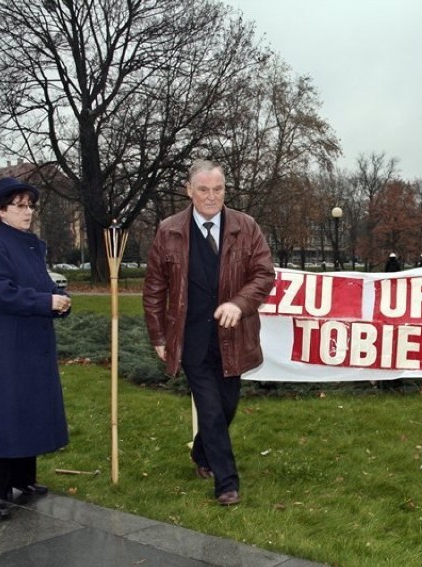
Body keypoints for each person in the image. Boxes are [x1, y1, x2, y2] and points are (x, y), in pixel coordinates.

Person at [143, 159, 275, 507]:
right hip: (190, 339)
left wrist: (239, 303)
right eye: (203, 189)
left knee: (227, 405)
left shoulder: (246, 227)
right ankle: (226, 482)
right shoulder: (168, 230)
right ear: (189, 191)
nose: (211, 196)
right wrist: (158, 337)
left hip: (232, 338)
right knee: (211, 409)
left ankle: (202, 452)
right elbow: (154, 287)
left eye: (218, 189)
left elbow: (264, 275)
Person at [0, 177, 72, 521]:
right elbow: (1, 293)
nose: (28, 212)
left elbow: (41, 284)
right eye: (20, 206)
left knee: (26, 410)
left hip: (28, 343)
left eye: (30, 205)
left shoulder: (31, 245)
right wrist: (45, 300)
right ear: (1, 211)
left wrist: (60, 299)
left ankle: (23, 478)